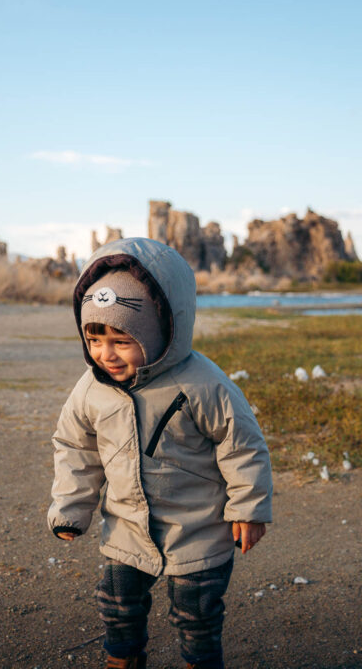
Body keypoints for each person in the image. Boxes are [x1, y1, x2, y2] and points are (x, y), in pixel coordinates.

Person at [48, 237, 272, 669]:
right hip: (127, 528)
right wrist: (70, 507)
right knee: (116, 604)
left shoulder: (203, 383)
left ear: (161, 329)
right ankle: (123, 659)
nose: (106, 354)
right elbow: (76, 447)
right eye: (95, 338)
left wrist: (249, 508)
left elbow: (242, 445)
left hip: (198, 530)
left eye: (122, 340)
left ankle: (200, 662)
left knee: (197, 613)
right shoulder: (92, 387)